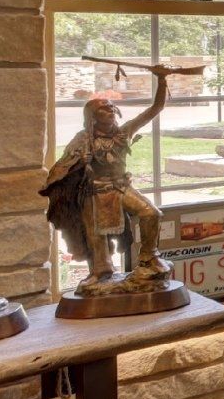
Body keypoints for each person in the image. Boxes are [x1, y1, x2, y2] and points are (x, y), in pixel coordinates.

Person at [42, 66, 179, 295]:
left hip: (120, 187)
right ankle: (100, 272)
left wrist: (162, 80)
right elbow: (62, 167)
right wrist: (79, 162)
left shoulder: (124, 132)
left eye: (111, 107)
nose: (111, 110)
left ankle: (148, 259)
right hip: (93, 192)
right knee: (96, 235)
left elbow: (156, 108)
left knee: (151, 213)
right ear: (93, 117)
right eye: (104, 109)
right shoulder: (83, 139)